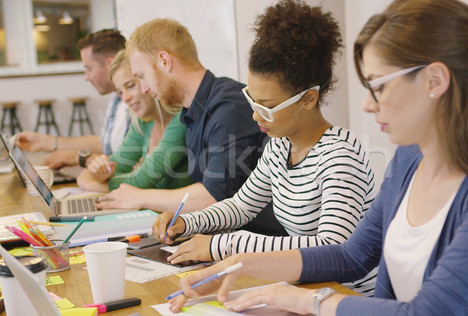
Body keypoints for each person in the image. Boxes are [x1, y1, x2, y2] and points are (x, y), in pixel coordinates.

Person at [168, 0, 468, 315]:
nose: (367, 105)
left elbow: (432, 311)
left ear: (435, 81)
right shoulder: (408, 161)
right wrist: (242, 267)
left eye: (378, 87)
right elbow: (353, 254)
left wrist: (307, 300)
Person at [153, 0, 377, 296]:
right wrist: (187, 223)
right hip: (307, 289)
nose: (256, 116)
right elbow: (242, 206)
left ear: (309, 98)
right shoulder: (278, 147)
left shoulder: (341, 155)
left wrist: (223, 244)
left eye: (267, 107)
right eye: (252, 101)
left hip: (348, 296)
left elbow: (331, 249)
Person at [96, 18, 286, 236]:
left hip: (266, 244)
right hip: (227, 237)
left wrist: (138, 197)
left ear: (165, 61)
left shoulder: (227, 106)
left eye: (142, 77)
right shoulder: (191, 113)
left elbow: (213, 197)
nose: (145, 89)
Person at [77, 49, 192, 192]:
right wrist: (98, 173)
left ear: (148, 79)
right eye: (120, 92)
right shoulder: (144, 123)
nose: (125, 98)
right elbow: (115, 166)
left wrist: (96, 184)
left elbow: (143, 179)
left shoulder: (181, 119)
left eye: (130, 86)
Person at [15, 29, 131, 170]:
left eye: (89, 69)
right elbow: (104, 145)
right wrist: (45, 141)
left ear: (110, 64)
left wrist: (81, 157)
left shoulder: (137, 105)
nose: (86, 77)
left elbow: (131, 165)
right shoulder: (116, 103)